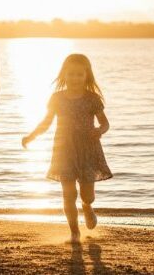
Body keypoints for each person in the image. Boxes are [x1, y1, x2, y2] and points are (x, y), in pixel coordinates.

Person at [22, 54, 112, 243]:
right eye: (71, 74)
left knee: (87, 195)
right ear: (64, 74)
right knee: (68, 193)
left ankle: (87, 207)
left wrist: (99, 130)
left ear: (86, 76)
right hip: (64, 150)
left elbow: (105, 123)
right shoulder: (57, 98)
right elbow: (46, 122)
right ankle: (74, 232)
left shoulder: (92, 99)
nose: (75, 78)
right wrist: (31, 136)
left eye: (80, 74)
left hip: (88, 149)